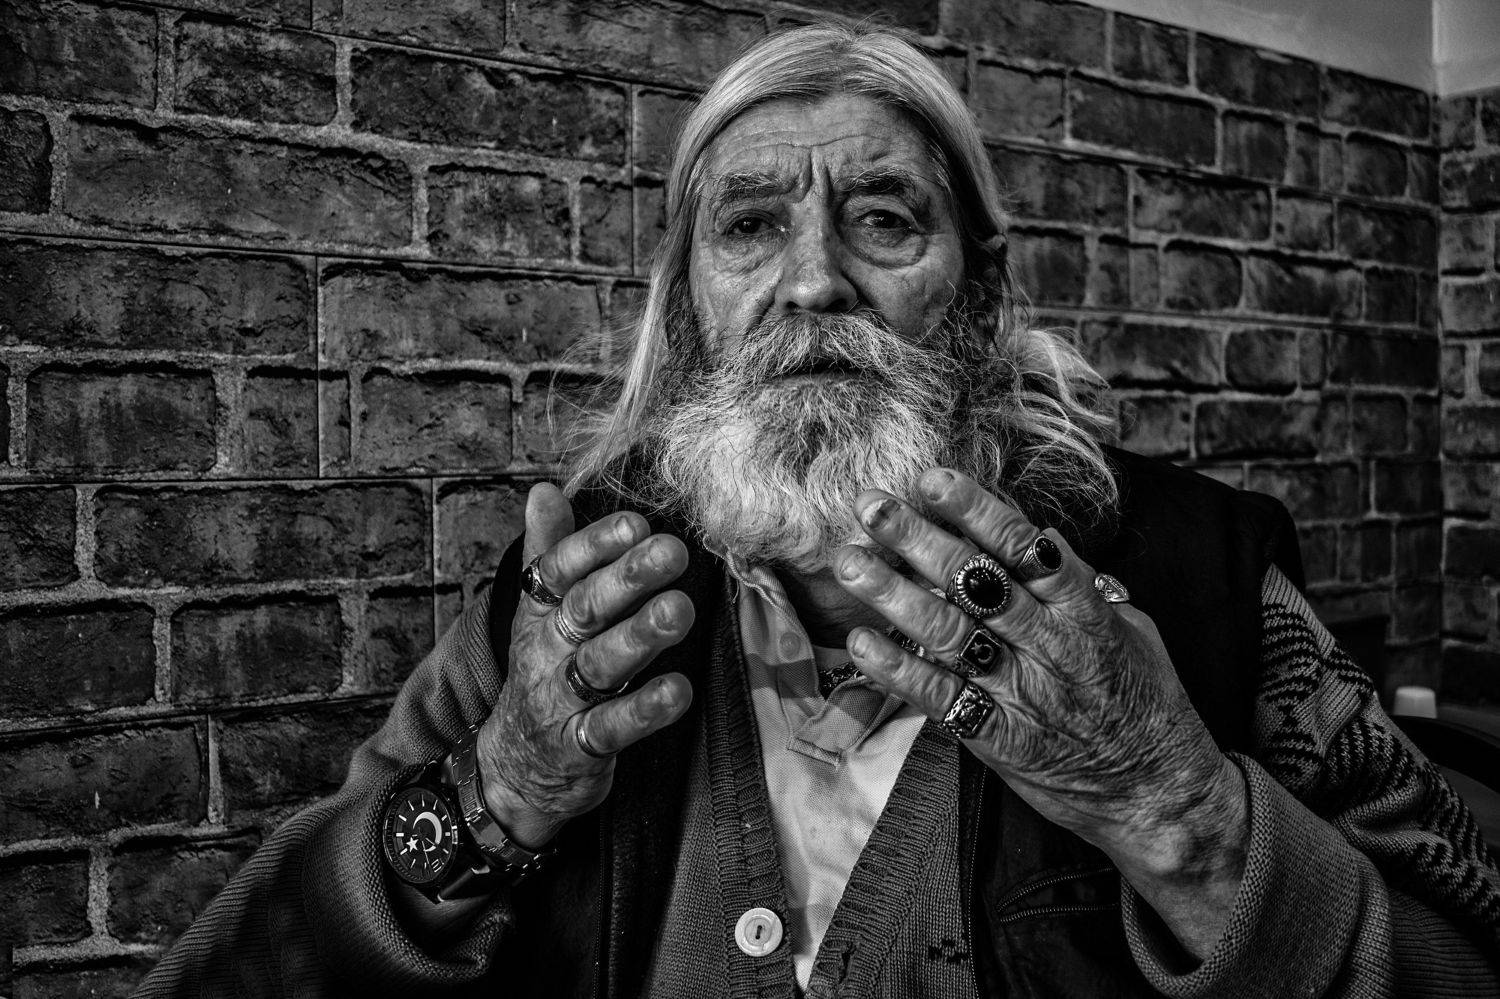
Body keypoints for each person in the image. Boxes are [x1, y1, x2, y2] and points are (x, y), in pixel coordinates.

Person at [135, 22, 1499, 999]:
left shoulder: (1200, 581)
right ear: (689, 312)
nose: (813, 280)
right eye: (749, 226)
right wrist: (501, 790)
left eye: (885, 220)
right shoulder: (577, 606)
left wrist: (1173, 804)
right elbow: (246, 967)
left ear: (978, 298)